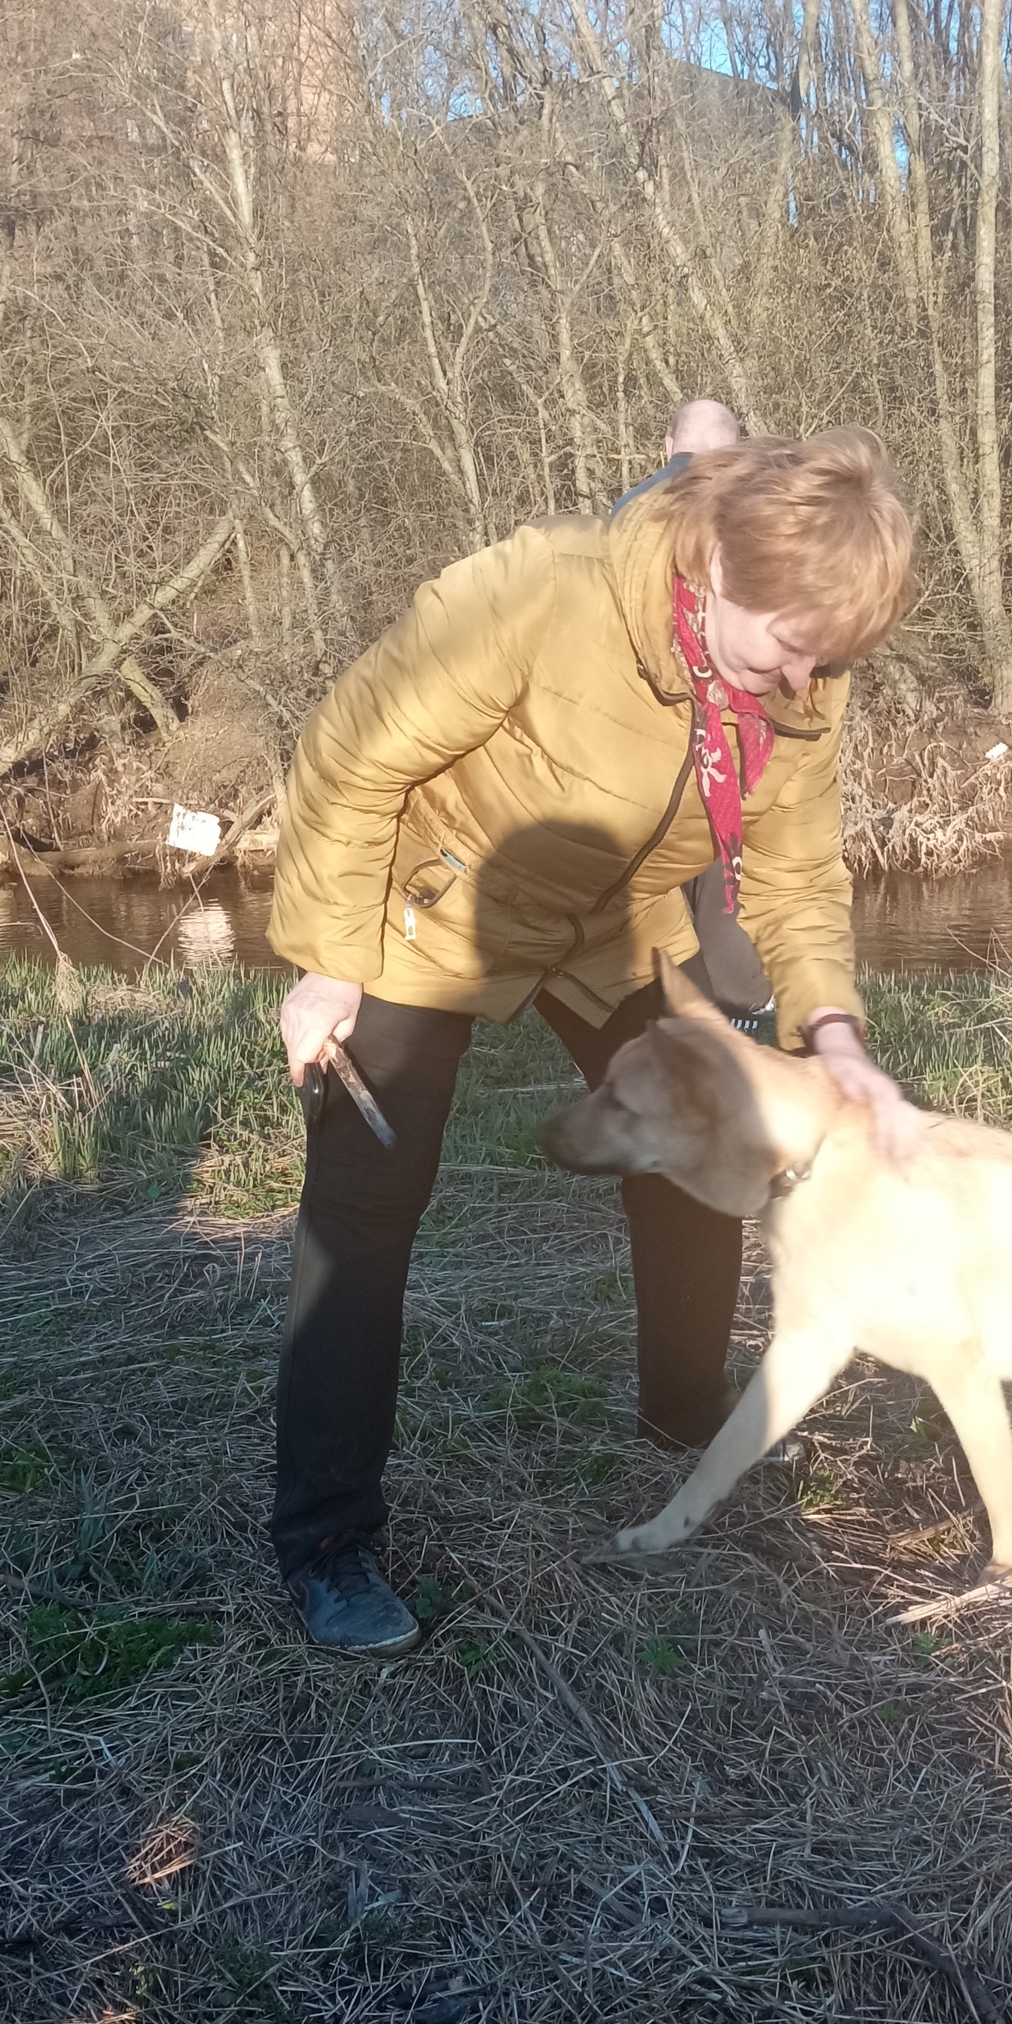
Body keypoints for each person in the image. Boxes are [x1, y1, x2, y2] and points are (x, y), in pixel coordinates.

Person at [268, 429, 919, 1652]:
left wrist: (831, 1025)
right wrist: (330, 962)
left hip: (613, 926)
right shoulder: (543, 591)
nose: (802, 682)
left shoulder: (801, 674)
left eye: (827, 659)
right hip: (430, 906)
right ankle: (326, 1541)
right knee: (369, 1198)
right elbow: (351, 756)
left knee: (696, 1153)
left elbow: (791, 871)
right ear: (723, 563)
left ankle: (687, 1426)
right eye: (789, 646)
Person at [618, 401, 777, 1033]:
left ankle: (667, 1016)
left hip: (633, 727)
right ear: (736, 454)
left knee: (650, 884)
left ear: (665, 446)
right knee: (720, 877)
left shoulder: (625, 514)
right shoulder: (752, 517)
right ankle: (744, 1008)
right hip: (716, 724)